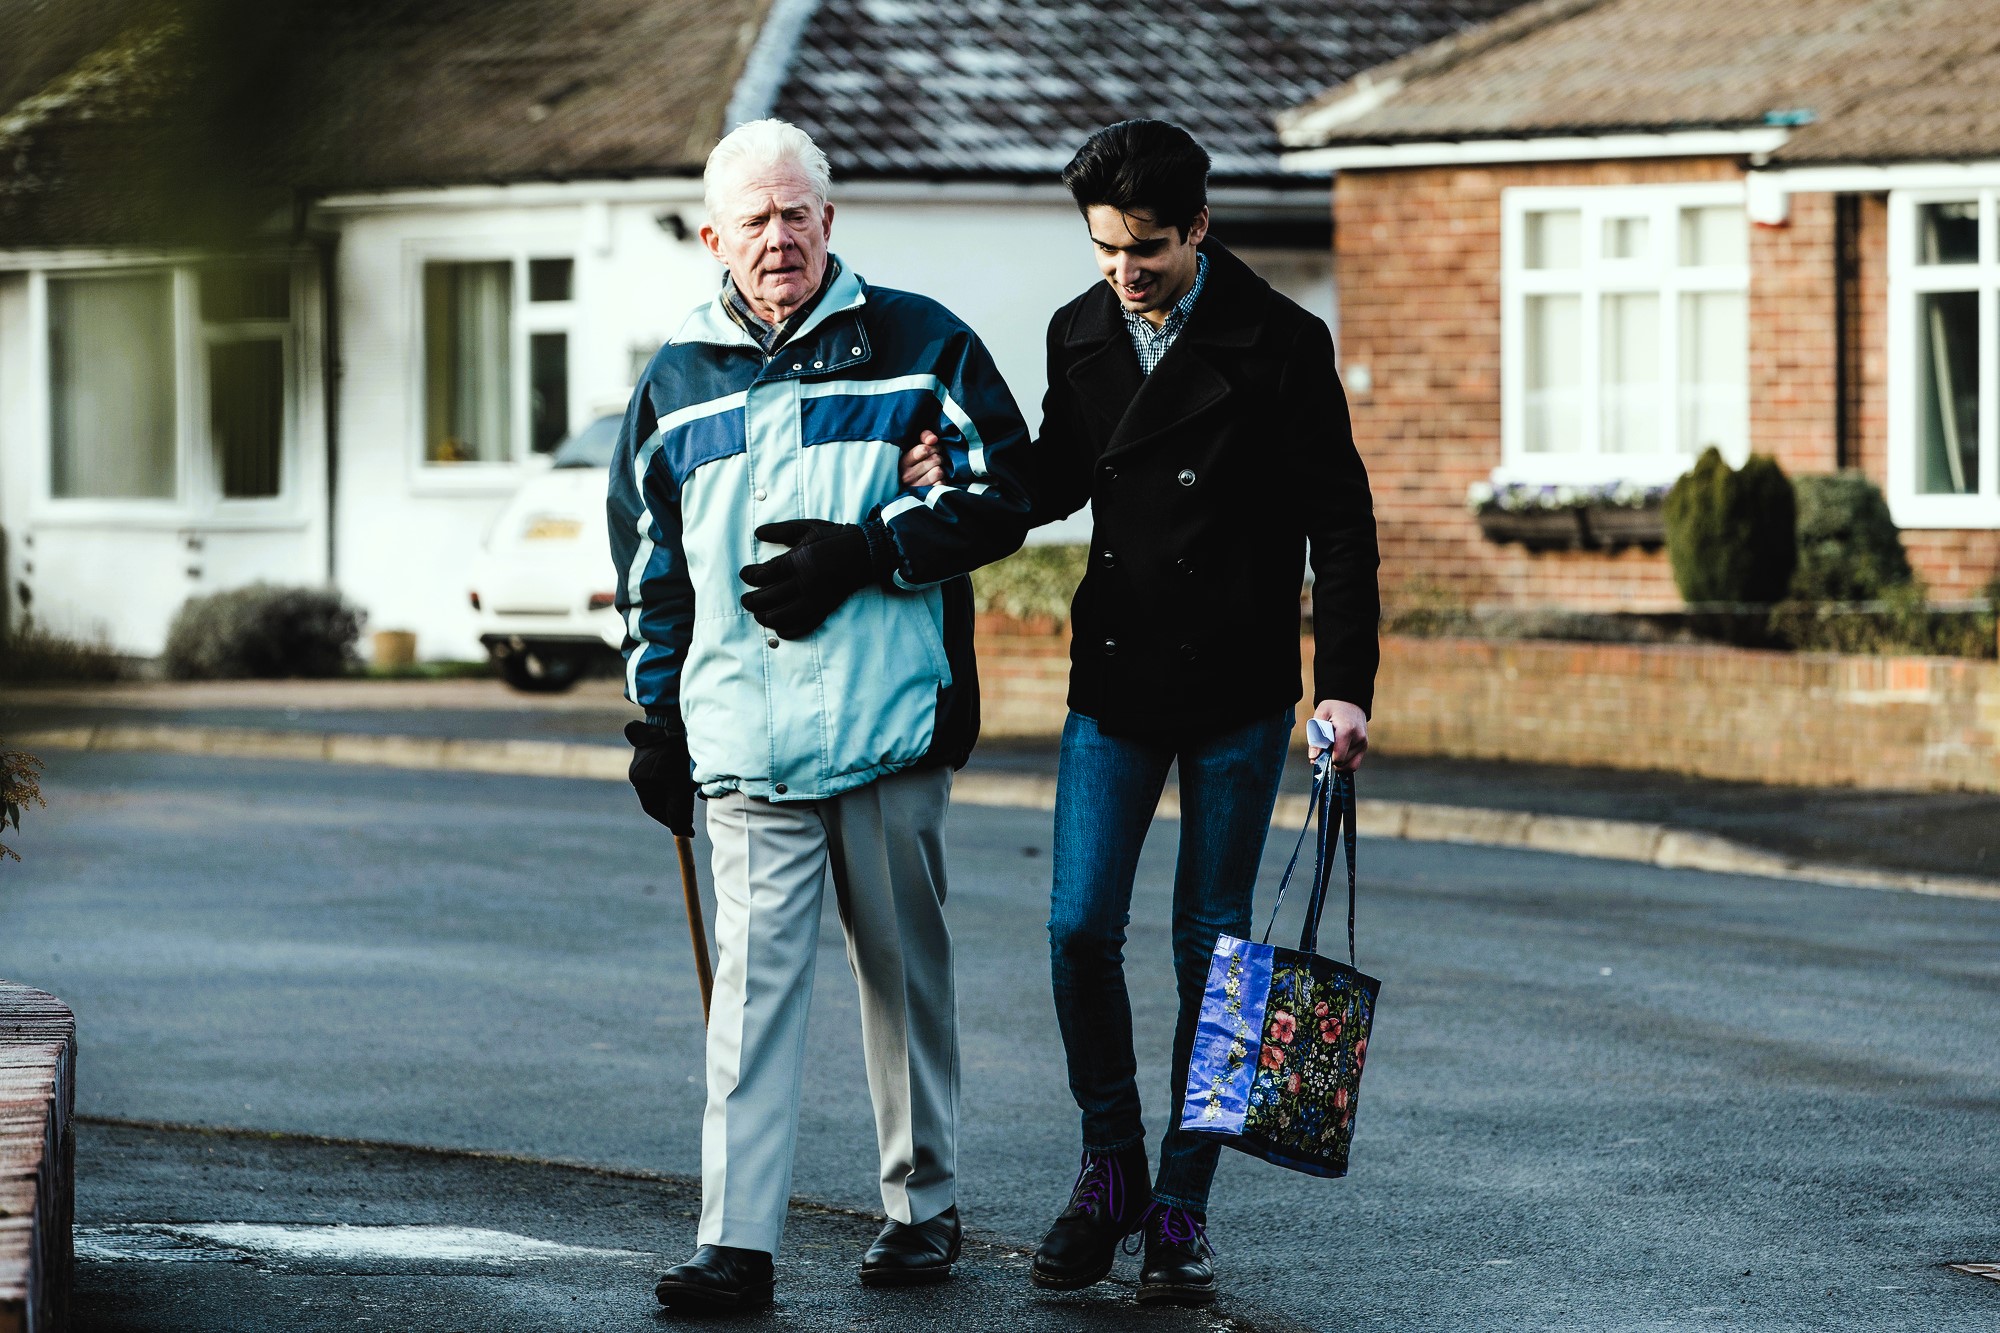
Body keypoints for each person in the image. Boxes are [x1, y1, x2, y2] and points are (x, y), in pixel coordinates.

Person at [904, 118, 1379, 1307]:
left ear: (1198, 228)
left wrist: (1345, 685)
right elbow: (1065, 469)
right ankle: (1108, 1161)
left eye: (1148, 248)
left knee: (1211, 953)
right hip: (1114, 674)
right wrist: (959, 482)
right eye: (1107, 245)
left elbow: (1342, 525)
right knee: (1075, 928)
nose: (1125, 269)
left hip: (1234, 684)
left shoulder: (1278, 341)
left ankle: (1180, 1204)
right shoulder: (1078, 329)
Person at [610, 118, 1035, 1315]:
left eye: (797, 212)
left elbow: (1007, 491)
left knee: (903, 977)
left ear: (830, 223)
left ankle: (922, 1208)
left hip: (886, 726)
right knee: (749, 998)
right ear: (712, 238)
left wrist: (873, 547)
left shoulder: (918, 343)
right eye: (753, 219)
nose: (778, 237)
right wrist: (655, 721)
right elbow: (653, 576)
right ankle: (735, 1239)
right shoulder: (673, 380)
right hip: (742, 738)